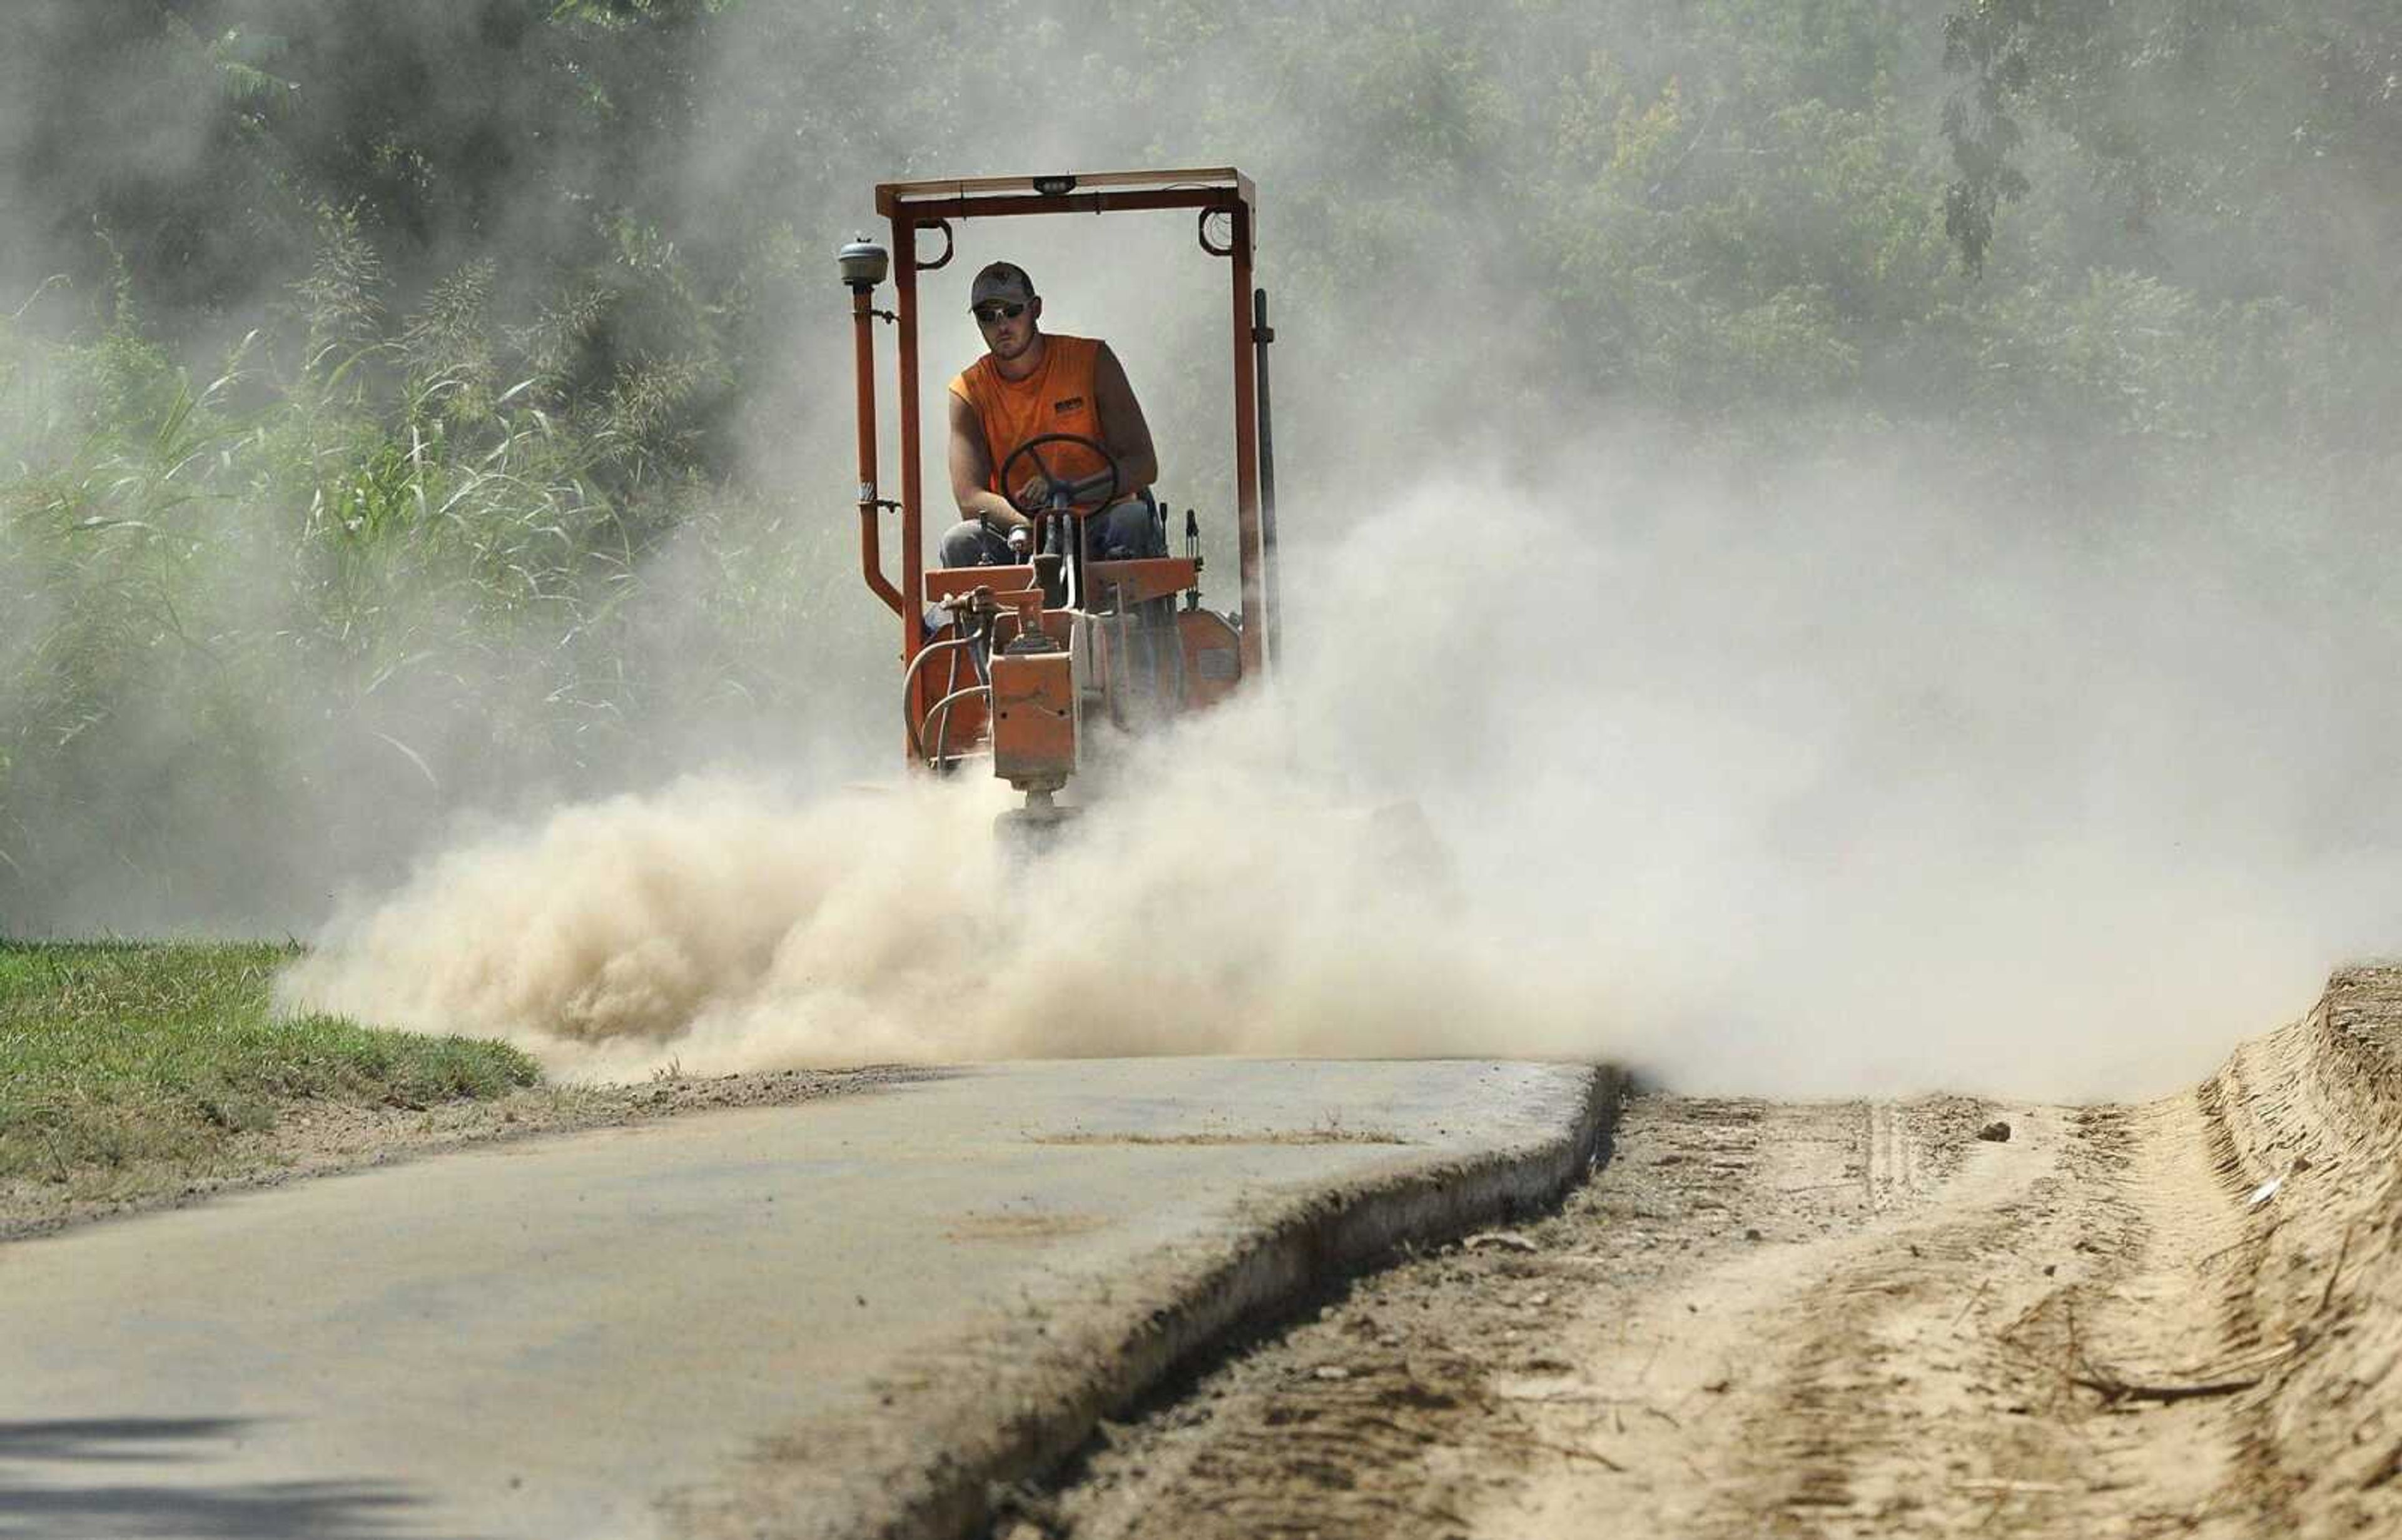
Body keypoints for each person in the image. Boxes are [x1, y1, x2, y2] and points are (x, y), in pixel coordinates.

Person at [938, 261, 1165, 569]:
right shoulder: (968, 392)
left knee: (1133, 519)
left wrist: (1067, 489)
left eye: (1012, 311)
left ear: (1035, 309)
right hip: (1020, 532)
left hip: (1101, 520)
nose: (1001, 325)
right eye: (987, 316)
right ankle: (997, 616)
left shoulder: (1092, 363)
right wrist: (1032, 524)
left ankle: (1138, 616)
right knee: (960, 542)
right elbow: (970, 498)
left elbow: (1142, 465)